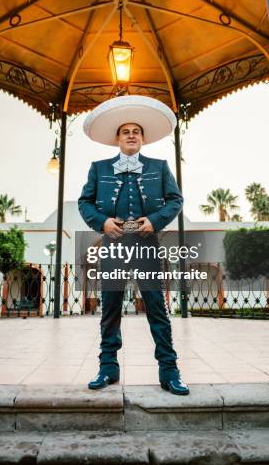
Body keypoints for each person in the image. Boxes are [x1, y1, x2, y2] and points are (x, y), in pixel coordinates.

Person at [78, 95, 189, 396]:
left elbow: (176, 200)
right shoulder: (99, 168)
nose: (131, 135)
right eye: (125, 131)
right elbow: (84, 202)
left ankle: (170, 371)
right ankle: (107, 368)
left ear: (142, 138)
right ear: (117, 138)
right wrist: (102, 222)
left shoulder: (160, 165)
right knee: (110, 309)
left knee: (156, 308)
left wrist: (155, 219)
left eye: (136, 132)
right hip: (113, 246)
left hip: (146, 244)